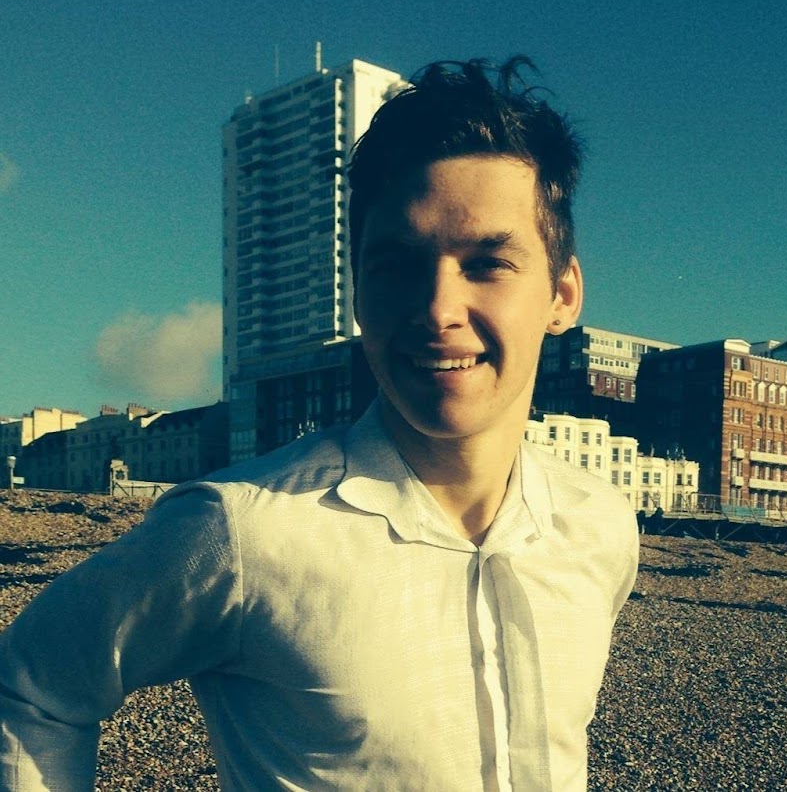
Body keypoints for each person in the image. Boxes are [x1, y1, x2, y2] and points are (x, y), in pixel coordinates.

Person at [0, 57, 639, 790]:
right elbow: (31, 687)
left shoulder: (600, 526)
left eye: (487, 263)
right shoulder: (245, 530)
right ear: (359, 293)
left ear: (562, 294)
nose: (438, 309)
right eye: (397, 266)